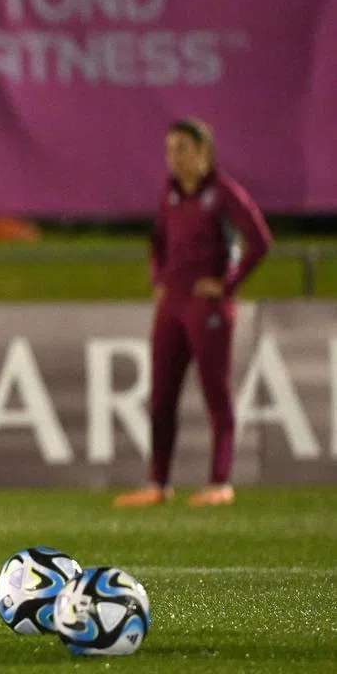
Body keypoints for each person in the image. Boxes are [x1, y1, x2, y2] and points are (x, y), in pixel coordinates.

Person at [115, 119, 271, 508]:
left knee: (215, 392)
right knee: (161, 395)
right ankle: (157, 482)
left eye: (181, 148)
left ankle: (220, 481)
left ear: (203, 153)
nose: (173, 157)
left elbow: (259, 240)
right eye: (169, 149)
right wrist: (159, 279)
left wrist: (227, 284)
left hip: (207, 307)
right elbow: (158, 242)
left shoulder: (222, 193)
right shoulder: (169, 194)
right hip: (173, 305)